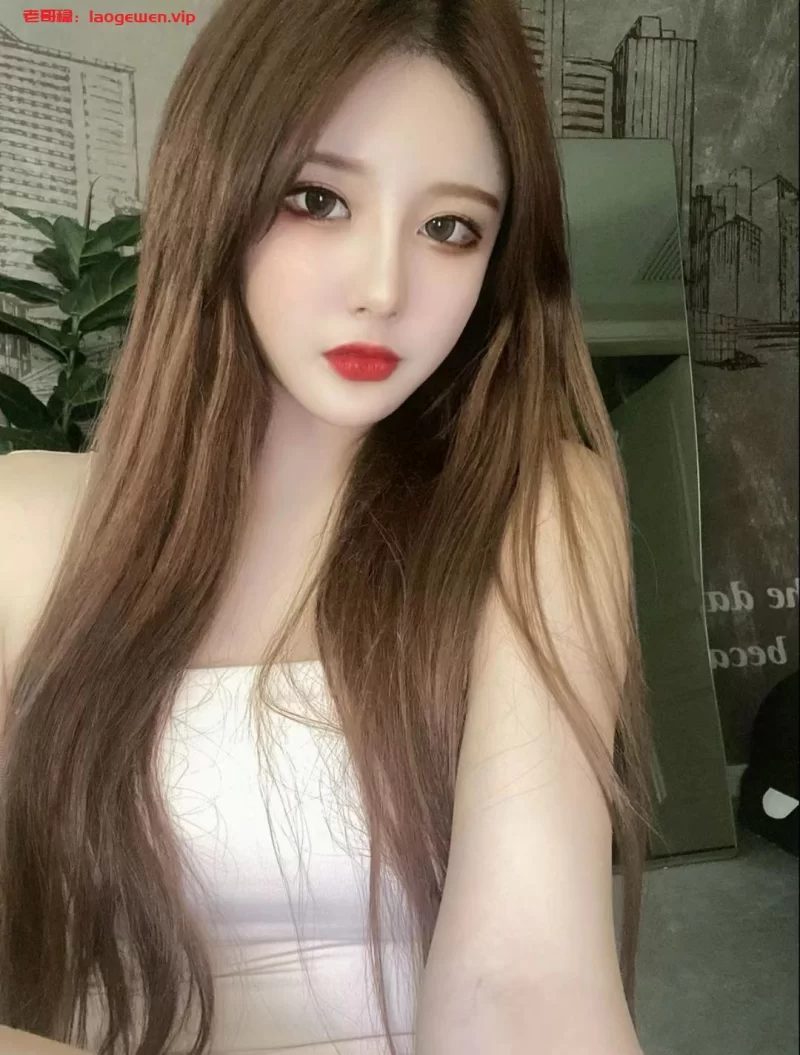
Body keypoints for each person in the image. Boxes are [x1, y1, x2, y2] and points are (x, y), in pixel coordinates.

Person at [0, 0, 657, 1051]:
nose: (383, 288)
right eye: (318, 199)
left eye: (450, 227)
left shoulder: (534, 510)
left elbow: (527, 975)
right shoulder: (25, 526)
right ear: (216, 193)